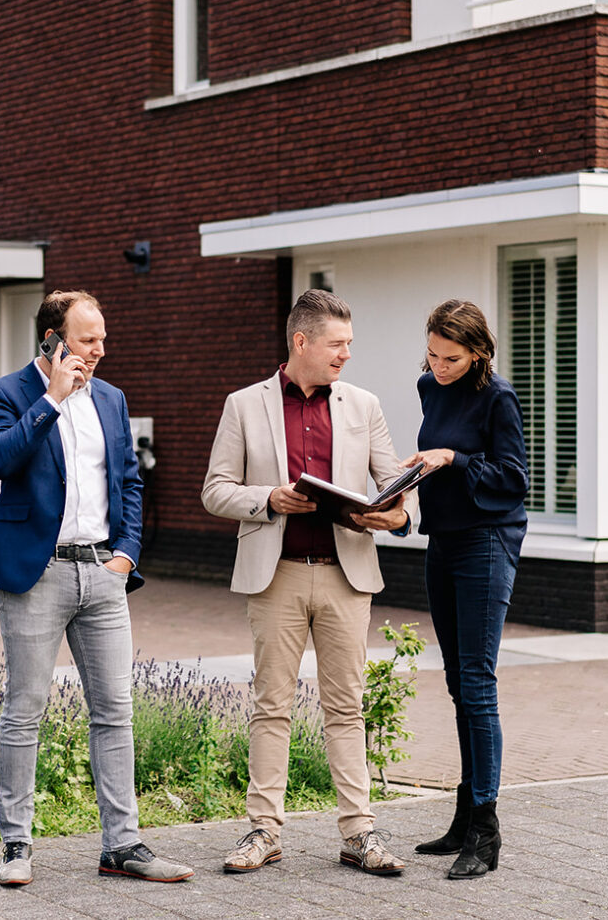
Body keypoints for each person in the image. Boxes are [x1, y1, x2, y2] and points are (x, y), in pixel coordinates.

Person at [0, 290, 193, 886]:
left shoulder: (112, 399)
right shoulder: (6, 393)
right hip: (35, 573)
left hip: (102, 573)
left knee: (115, 711)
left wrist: (128, 553)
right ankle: (17, 846)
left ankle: (122, 845)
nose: (99, 350)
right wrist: (52, 400)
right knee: (26, 709)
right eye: (87, 340)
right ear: (52, 340)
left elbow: (130, 482)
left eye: (102, 339)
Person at [202, 289, 414, 878]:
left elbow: (394, 484)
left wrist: (393, 513)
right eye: (337, 344)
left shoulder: (363, 404)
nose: (346, 354)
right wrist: (268, 498)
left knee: (346, 708)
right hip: (277, 578)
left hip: (348, 577)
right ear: (302, 342)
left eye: (349, 344)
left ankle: (359, 834)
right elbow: (216, 489)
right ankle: (264, 832)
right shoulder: (244, 405)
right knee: (271, 706)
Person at [399, 299, 528, 880]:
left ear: (478, 352)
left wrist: (453, 457)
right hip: (444, 540)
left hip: (487, 542)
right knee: (456, 682)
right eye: (431, 353)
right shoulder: (430, 386)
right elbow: (440, 455)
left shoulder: (498, 397)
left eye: (451, 357)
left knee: (476, 682)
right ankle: (464, 815)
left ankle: (486, 829)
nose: (438, 365)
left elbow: (514, 478)